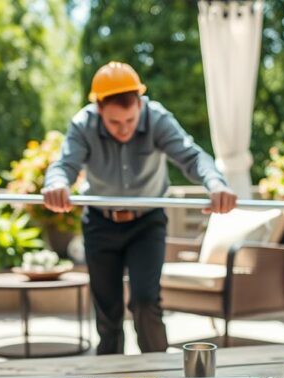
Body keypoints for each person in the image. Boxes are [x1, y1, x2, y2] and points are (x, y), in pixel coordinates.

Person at [43, 61, 236, 355]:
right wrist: (57, 184)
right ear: (99, 109)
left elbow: (193, 157)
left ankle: (158, 373)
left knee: (146, 301)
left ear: (140, 104)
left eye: (131, 121)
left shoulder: (157, 118)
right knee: (107, 313)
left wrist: (216, 184)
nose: (124, 129)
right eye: (114, 123)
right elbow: (64, 166)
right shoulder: (83, 124)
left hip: (147, 223)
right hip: (99, 224)